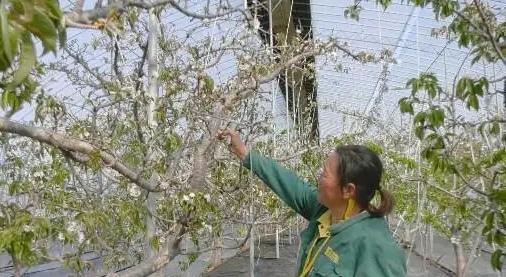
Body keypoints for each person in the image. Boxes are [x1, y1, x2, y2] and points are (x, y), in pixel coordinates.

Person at [217, 129, 407, 277]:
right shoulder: (326, 212)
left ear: (348, 190)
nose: (318, 178)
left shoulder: (377, 247)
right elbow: (290, 185)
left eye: (324, 174)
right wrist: (245, 153)